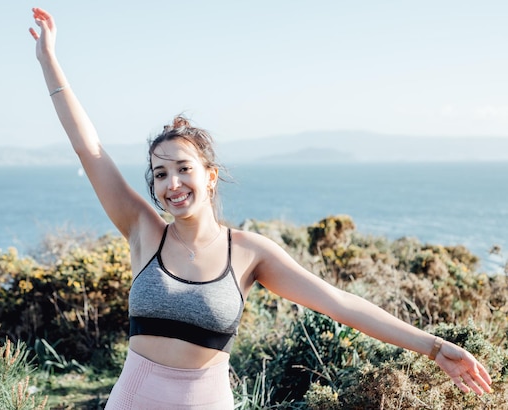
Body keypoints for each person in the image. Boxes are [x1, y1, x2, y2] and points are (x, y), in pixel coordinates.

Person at [28, 8, 493, 409]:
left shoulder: (249, 253)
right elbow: (89, 150)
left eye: (183, 169)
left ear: (209, 175)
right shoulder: (144, 231)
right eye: (160, 173)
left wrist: (432, 347)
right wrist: (49, 61)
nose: (172, 184)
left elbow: (340, 304)